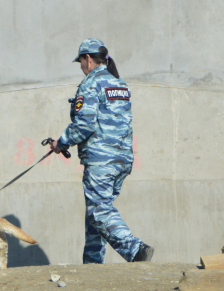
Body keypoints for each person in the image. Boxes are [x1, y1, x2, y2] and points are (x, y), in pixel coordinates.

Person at [49, 38, 154, 264]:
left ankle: (136, 250)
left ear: (88, 58)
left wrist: (61, 143)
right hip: (122, 160)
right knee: (95, 214)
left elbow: (84, 124)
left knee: (99, 212)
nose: (80, 67)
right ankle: (93, 266)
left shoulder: (90, 84)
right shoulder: (120, 84)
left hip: (101, 161)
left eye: (80, 62)